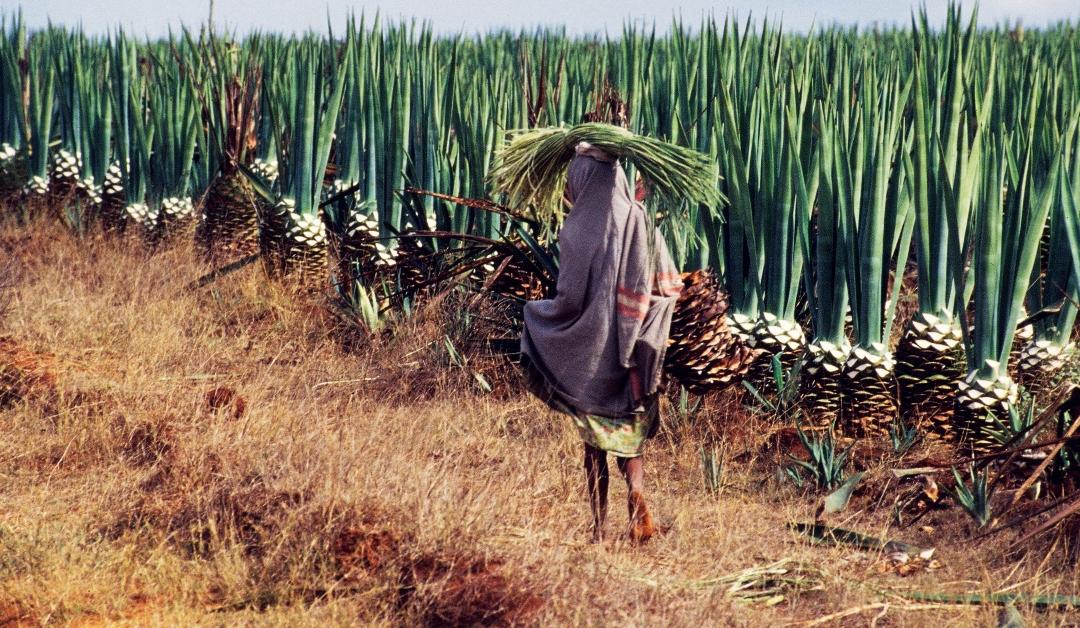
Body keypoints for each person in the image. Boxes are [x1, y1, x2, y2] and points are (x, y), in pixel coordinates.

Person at [520, 142, 682, 544]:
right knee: (630, 444)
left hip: (593, 361)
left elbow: (570, 297)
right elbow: (670, 284)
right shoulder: (642, 221)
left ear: (583, 179)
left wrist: (541, 315)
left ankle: (597, 529)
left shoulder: (578, 230)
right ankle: (638, 494)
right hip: (635, 360)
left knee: (595, 449)